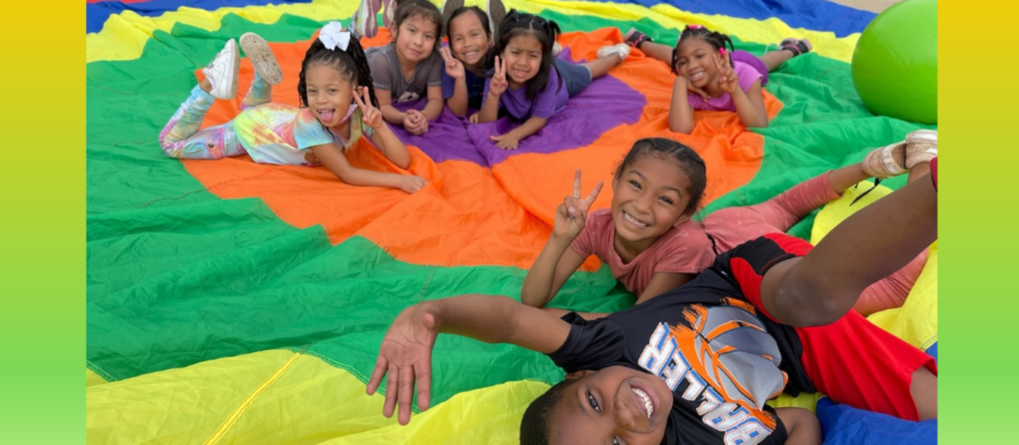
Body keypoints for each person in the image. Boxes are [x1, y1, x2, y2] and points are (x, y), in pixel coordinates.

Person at [365, 155, 940, 445]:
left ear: (582, 371)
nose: (624, 414)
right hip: (806, 345)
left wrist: (428, 314)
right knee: (940, 410)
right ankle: (920, 181)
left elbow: (518, 316)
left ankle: (937, 179)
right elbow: (797, 426)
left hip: (753, 278)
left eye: (594, 403)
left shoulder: (613, 342)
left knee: (807, 289)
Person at [523, 132, 937, 317]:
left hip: (743, 253)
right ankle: (872, 164)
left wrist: (553, 323)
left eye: (664, 200)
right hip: (726, 223)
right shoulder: (596, 225)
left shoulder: (681, 247)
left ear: (683, 215)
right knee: (788, 203)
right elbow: (532, 299)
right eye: (635, 184)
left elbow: (640, 318)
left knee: (886, 289)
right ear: (615, 181)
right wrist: (561, 239)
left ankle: (924, 174)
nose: (642, 206)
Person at [157, 26, 427, 193]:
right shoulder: (312, 125)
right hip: (250, 132)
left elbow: (402, 161)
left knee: (255, 109)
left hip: (273, 115)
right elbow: (347, 174)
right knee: (171, 144)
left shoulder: (360, 113)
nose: (320, 100)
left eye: (331, 91)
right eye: (312, 91)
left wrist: (379, 126)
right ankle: (209, 84)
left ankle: (262, 79)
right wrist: (398, 182)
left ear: (355, 88)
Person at [478, 10, 630, 149]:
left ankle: (616, 54)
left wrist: (515, 135)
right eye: (516, 52)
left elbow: (539, 119)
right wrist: (493, 95)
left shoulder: (550, 77)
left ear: (542, 57)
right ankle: (546, 49)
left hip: (563, 76)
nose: (523, 62)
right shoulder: (495, 74)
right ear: (502, 52)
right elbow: (485, 122)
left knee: (587, 72)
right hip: (541, 65)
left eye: (532, 55)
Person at [623, 26, 811, 134]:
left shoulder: (745, 74)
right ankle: (643, 42)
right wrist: (679, 83)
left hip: (740, 64)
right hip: (710, 66)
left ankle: (793, 49)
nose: (692, 65)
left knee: (764, 63)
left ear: (720, 56)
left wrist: (735, 90)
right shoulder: (689, 85)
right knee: (672, 56)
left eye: (699, 56)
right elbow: (680, 129)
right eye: (684, 62)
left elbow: (759, 123)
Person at [365, 0, 446, 136]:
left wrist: (423, 116)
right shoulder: (381, 62)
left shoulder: (434, 59)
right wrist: (403, 118)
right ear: (395, 30)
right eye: (412, 31)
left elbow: (436, 100)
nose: (418, 42)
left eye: (428, 36)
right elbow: (382, 106)